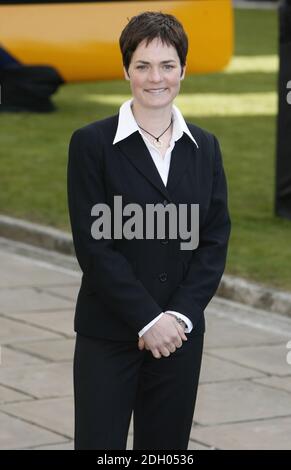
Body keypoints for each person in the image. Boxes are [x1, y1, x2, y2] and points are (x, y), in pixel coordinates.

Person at [67, 11, 231, 450]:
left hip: (180, 336)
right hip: (108, 334)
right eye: (142, 65)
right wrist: (147, 319)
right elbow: (94, 246)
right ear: (126, 70)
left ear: (183, 70)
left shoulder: (206, 147)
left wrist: (178, 317)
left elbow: (213, 240)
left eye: (167, 65)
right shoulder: (91, 144)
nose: (155, 78)